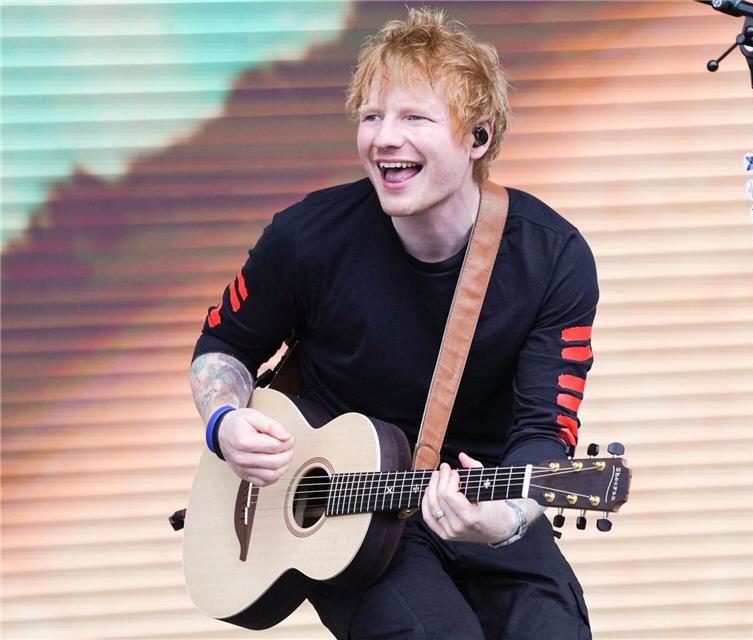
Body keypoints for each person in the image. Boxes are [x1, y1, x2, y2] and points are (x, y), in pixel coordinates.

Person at [189, 7, 598, 639]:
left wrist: (511, 516)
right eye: (372, 116)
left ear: (478, 138)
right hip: (347, 525)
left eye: (414, 117)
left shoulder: (550, 259)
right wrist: (226, 419)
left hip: (478, 500)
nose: (383, 138)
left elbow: (546, 426)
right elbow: (223, 346)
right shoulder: (306, 239)